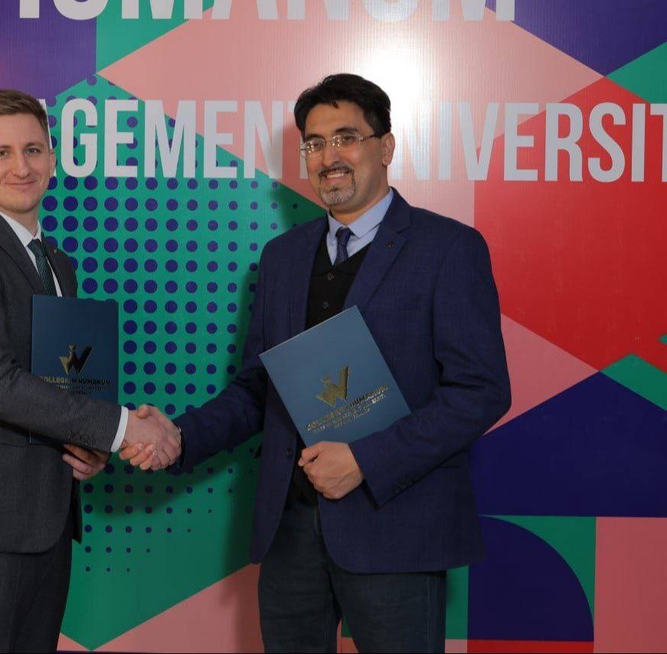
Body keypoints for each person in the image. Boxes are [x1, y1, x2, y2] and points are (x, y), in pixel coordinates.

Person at [125, 74, 511, 653]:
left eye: (346, 137)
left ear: (386, 146)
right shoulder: (282, 257)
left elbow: (480, 391)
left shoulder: (448, 249)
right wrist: (180, 437)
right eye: (314, 143)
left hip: (396, 530)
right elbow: (258, 389)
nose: (329, 156)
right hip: (290, 535)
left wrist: (366, 461)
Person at [0, 89, 180, 653]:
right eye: (2, 153)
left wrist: (89, 446)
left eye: (33, 150)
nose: (21, 166)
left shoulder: (58, 264)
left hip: (47, 522)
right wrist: (122, 428)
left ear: (52, 160)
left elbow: (59, 387)